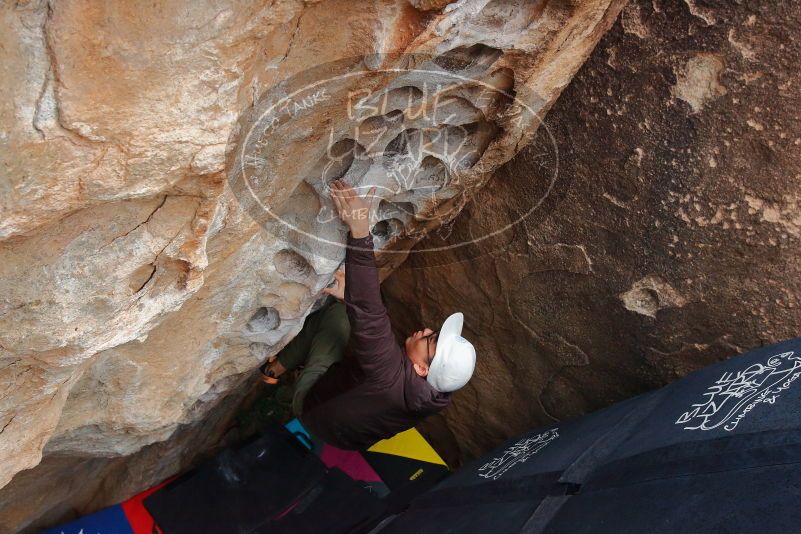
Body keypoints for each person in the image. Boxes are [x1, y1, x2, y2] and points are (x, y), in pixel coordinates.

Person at [259, 179, 476, 450]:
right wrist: (351, 296)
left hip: (313, 411)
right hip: (345, 437)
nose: (428, 331)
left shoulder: (389, 376)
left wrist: (360, 230)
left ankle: (274, 369)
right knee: (350, 319)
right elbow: (373, 329)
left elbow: (370, 315)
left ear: (422, 369)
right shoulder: (433, 396)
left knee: (337, 319)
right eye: (437, 332)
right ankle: (285, 369)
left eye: (432, 340)